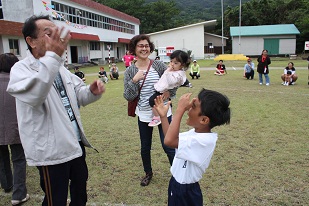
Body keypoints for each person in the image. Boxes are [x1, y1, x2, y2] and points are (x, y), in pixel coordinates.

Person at [6, 15, 105, 206]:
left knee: (79, 192)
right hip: (51, 151)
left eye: (56, 33)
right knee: (55, 200)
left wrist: (91, 92)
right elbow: (36, 94)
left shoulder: (60, 68)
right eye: (48, 34)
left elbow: (78, 96)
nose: (56, 38)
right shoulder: (21, 69)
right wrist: (53, 58)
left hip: (75, 143)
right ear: (31, 41)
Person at [153, 89, 230, 206]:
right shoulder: (195, 134)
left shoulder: (205, 141)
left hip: (185, 191)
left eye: (193, 107)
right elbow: (170, 138)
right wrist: (163, 117)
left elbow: (169, 141)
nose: (188, 108)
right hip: (177, 184)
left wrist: (180, 110)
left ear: (204, 120)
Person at [123, 34, 176, 187]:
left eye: (146, 46)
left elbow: (174, 80)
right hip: (145, 114)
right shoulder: (130, 71)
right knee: (145, 146)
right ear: (134, 49)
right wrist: (134, 80)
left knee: (168, 145)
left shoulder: (158, 65)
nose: (144, 48)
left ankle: (177, 174)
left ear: (150, 48)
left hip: (164, 112)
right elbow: (128, 96)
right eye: (140, 46)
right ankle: (148, 173)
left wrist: (169, 93)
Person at [0, 53, 29, 205]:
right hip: (16, 127)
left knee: (2, 158)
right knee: (18, 159)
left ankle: (6, 185)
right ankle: (18, 194)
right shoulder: (19, 82)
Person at [148, 50, 190, 127]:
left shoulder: (179, 74)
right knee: (167, 102)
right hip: (161, 89)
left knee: (152, 101)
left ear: (182, 65)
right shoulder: (172, 70)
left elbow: (171, 82)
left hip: (163, 91)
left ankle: (157, 117)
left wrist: (168, 71)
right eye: (171, 61)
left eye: (175, 63)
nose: (172, 64)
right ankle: (170, 115)